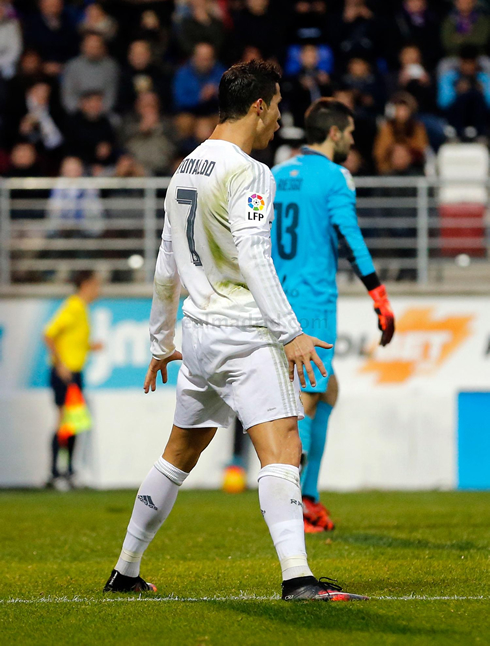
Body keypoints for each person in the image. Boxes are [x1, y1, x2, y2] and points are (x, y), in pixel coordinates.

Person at [103, 60, 368, 602]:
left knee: (177, 453)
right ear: (259, 106)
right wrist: (290, 330)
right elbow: (253, 255)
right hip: (245, 333)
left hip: (197, 335)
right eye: (276, 109)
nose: (279, 123)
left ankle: (125, 570)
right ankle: (297, 577)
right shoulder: (251, 172)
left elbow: (165, 262)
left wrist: (161, 342)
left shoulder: (186, 168)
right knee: (284, 448)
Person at [271, 98, 395, 533]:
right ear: (335, 132)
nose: (354, 139)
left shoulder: (278, 173)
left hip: (279, 298)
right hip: (313, 300)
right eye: (351, 132)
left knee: (327, 390)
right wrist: (378, 294)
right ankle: (296, 505)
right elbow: (348, 235)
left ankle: (307, 495)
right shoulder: (336, 175)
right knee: (305, 400)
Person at [44, 270, 103, 489]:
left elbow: (72, 341)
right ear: (85, 285)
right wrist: (60, 364)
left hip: (74, 372)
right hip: (65, 373)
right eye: (96, 285)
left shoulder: (81, 309)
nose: (99, 290)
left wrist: (90, 347)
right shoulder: (74, 306)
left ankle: (66, 471)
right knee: (65, 422)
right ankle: (55, 473)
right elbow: (48, 334)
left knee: (73, 422)